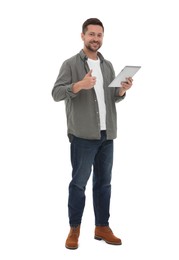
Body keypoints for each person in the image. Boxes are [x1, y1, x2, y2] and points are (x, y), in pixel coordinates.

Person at [52, 18, 133, 250]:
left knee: (104, 183)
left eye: (99, 35)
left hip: (107, 135)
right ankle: (74, 228)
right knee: (78, 184)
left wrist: (122, 90)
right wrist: (78, 85)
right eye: (91, 35)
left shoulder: (107, 66)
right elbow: (56, 93)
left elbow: (112, 98)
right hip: (83, 135)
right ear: (82, 36)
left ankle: (101, 226)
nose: (95, 39)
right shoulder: (70, 64)